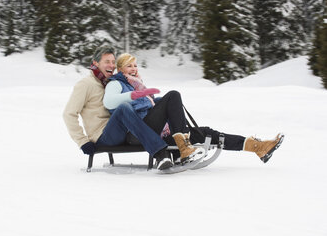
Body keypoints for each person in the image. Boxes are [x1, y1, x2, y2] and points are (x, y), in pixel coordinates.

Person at [102, 53, 284, 164]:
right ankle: (184, 147)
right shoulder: (117, 83)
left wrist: (154, 100)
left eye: (135, 65)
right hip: (139, 131)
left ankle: (257, 147)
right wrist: (139, 96)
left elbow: (150, 106)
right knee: (173, 95)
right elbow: (110, 102)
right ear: (120, 69)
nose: (134, 68)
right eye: (129, 65)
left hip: (158, 129)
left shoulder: (139, 85)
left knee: (206, 133)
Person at [63, 46, 175, 170]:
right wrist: (82, 141)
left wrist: (136, 80)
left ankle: (178, 147)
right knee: (123, 108)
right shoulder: (86, 84)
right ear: (95, 63)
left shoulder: (110, 82)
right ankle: (159, 153)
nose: (111, 65)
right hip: (103, 136)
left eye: (113, 62)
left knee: (158, 102)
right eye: (107, 62)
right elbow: (69, 114)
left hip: (123, 130)